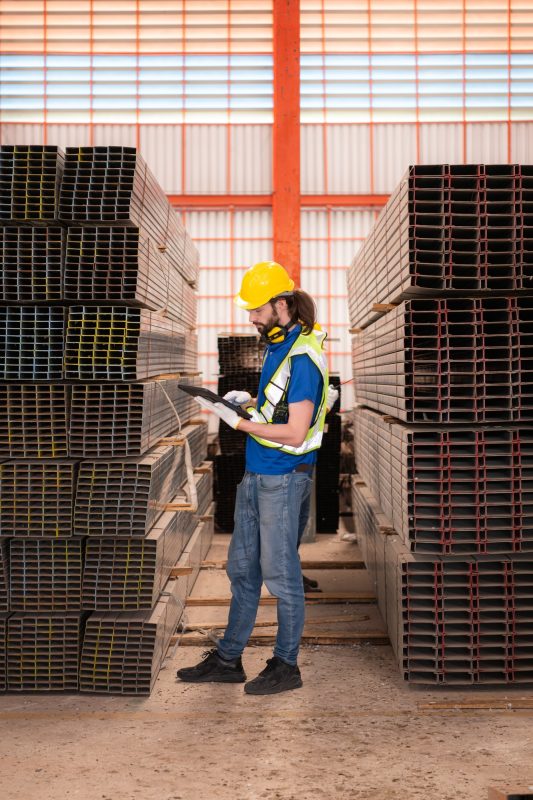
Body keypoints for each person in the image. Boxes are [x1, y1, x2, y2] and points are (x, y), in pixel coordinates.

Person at [176, 261, 338, 695]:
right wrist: (246, 401)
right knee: (242, 570)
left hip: (283, 478)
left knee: (281, 575)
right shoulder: (280, 344)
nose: (250, 317)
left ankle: (286, 665)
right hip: (257, 474)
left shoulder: (304, 357)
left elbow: (296, 430)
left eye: (255, 308)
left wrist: (238, 423)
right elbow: (278, 407)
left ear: (280, 304)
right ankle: (229, 659)